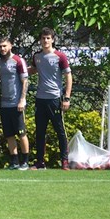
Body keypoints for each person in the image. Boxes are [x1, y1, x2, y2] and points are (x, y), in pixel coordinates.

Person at [30, 27, 73, 170]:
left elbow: (68, 77)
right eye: (43, 38)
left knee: (60, 131)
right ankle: (40, 162)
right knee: (40, 131)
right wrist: (16, 72)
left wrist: (66, 98)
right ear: (40, 40)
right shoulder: (37, 56)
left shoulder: (60, 57)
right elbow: (32, 70)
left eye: (48, 38)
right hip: (40, 99)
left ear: (53, 40)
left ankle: (64, 161)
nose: (45, 40)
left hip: (55, 99)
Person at [0, 37, 30, 170]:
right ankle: (14, 162)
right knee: (9, 134)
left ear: (10, 46)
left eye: (5, 46)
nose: (2, 49)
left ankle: (25, 161)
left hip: (17, 103)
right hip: (4, 104)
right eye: (0, 47)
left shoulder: (18, 60)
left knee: (21, 133)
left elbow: (25, 82)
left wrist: (22, 100)